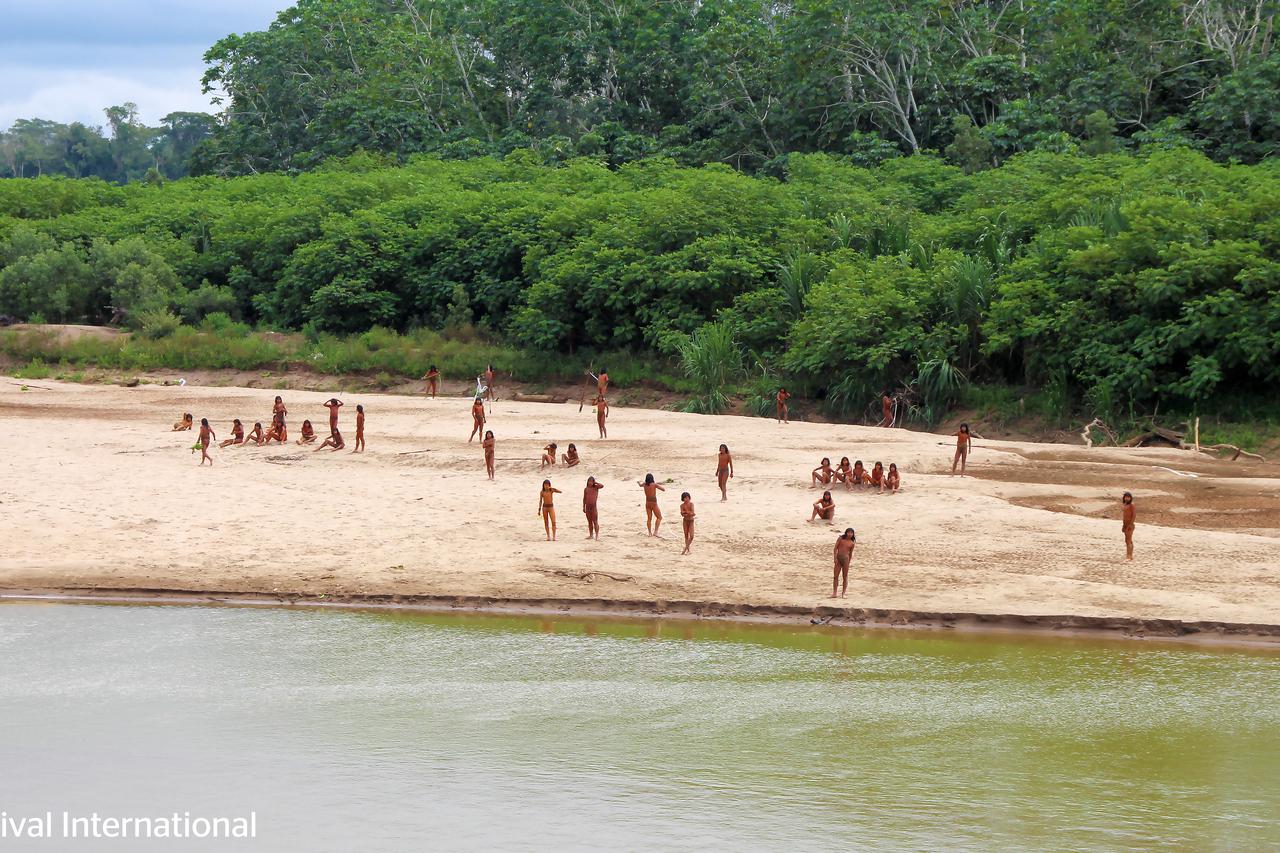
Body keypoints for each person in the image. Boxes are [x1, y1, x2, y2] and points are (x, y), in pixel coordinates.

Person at [832, 528, 856, 598]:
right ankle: (834, 593)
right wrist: (835, 558)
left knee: (845, 577)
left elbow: (850, 553)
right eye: (848, 532)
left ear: (853, 534)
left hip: (846, 559)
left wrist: (849, 562)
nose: (850, 534)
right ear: (846, 533)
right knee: (835, 576)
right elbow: (835, 548)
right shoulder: (840, 539)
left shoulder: (852, 543)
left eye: (851, 533)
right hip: (838, 558)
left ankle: (843, 593)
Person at [1122, 492, 1136, 561]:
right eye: (1126, 497)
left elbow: (1134, 515)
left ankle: (1129, 556)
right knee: (1127, 540)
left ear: (1130, 498)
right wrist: (1123, 525)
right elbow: (1124, 516)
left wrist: (1130, 524)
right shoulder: (1124, 505)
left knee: (1128, 540)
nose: (1127, 498)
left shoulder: (1131, 505)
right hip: (1125, 525)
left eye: (1128, 497)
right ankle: (1130, 555)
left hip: (1130, 525)